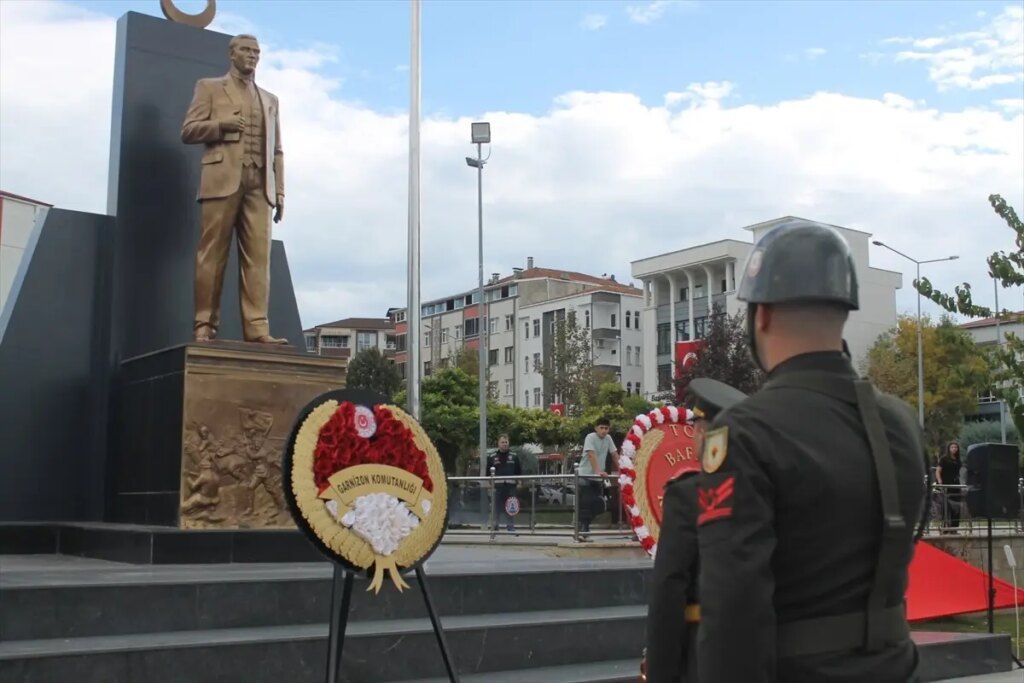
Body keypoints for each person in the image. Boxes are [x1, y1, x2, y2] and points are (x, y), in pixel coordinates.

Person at [695, 219, 928, 683]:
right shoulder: (900, 422)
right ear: (844, 310)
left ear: (760, 315)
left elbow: (732, 613)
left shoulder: (743, 433)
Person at [181, 33, 287, 344]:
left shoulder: (270, 100)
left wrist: (279, 190)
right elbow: (188, 130)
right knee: (212, 254)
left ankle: (257, 329)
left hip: (259, 186)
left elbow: (277, 150)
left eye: (256, 51)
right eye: (246, 50)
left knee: (258, 259)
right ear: (232, 54)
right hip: (222, 180)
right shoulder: (209, 87)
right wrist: (221, 125)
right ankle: (204, 325)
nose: (252, 56)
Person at [643, 378, 747, 683]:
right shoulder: (766, 492)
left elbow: (668, 592)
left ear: (703, 433)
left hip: (702, 655)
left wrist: (661, 673)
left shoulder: (688, 495)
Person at [578, 418, 618, 534]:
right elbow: (591, 455)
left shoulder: (608, 439)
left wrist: (624, 469)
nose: (604, 431)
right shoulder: (590, 437)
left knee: (600, 505)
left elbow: (614, 454)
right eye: (601, 428)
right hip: (585, 475)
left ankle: (583, 525)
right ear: (596, 428)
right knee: (587, 502)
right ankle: (583, 528)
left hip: (598, 477)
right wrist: (598, 471)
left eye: (606, 428)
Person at [486, 434, 522, 533]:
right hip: (497, 487)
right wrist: (490, 484)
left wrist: (519, 483)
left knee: (511, 507)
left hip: (510, 487)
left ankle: (510, 527)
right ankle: (495, 525)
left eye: (506, 442)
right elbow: (487, 473)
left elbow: (519, 472)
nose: (505, 444)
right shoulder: (492, 456)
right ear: (498, 443)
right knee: (496, 507)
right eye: (502, 442)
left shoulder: (514, 456)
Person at [936, 441, 963, 531]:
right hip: (946, 484)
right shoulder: (944, 459)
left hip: (956, 484)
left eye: (956, 447)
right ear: (949, 448)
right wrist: (940, 482)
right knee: (947, 507)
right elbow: (938, 471)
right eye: (952, 447)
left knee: (956, 507)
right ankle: (946, 528)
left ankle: (955, 528)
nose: (954, 449)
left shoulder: (958, 459)